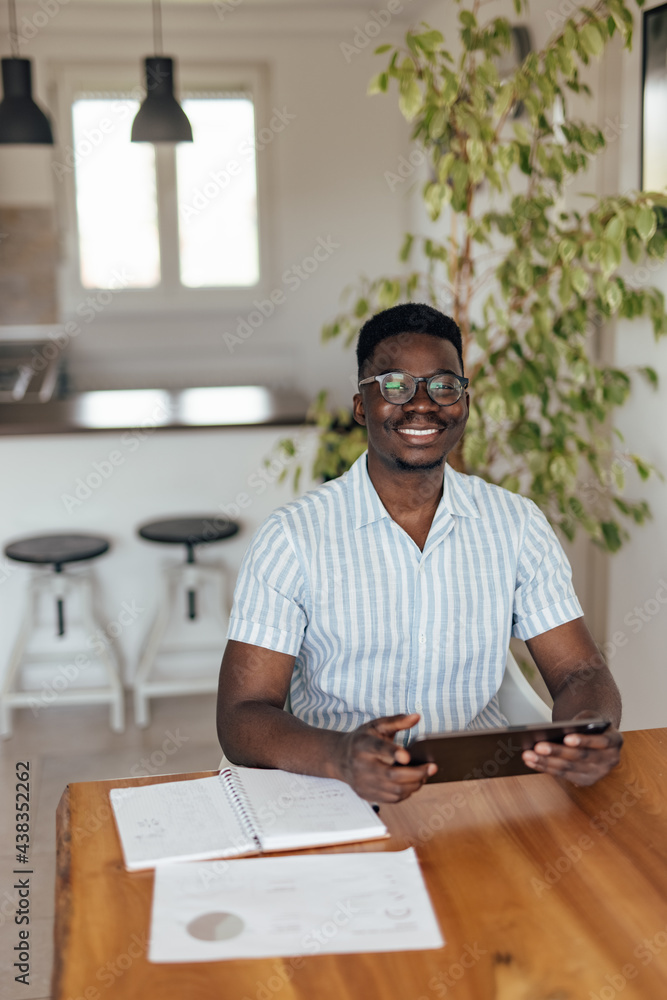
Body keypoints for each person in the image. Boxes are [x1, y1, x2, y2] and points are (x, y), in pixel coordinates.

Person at [217, 303, 622, 802]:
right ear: (362, 405)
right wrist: (342, 756)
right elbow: (243, 715)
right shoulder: (292, 538)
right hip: (334, 789)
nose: (422, 403)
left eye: (444, 385)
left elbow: (579, 671)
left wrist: (585, 733)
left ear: (465, 402)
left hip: (473, 790)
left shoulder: (516, 525)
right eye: (395, 385)